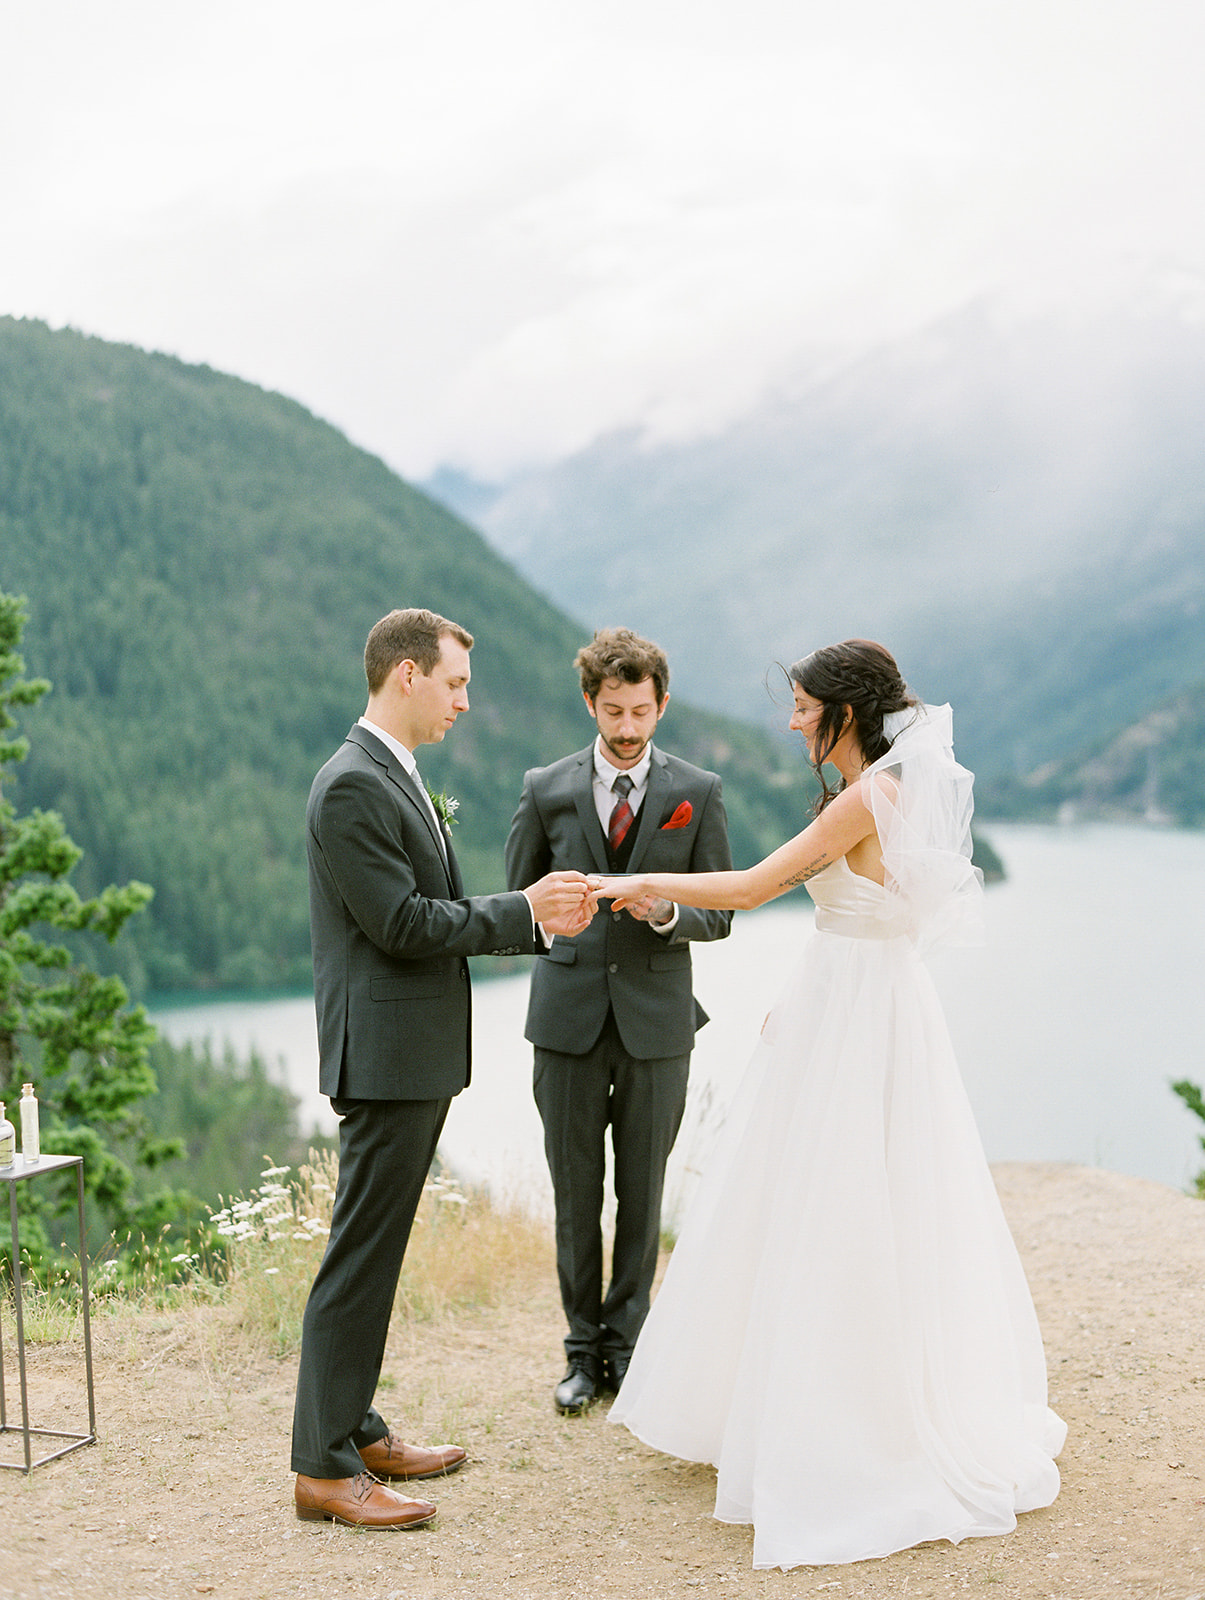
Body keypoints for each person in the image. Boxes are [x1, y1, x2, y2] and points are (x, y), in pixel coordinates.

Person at [593, 640, 1066, 1569]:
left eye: (805, 706)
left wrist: (633, 882)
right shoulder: (886, 790)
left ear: (844, 713)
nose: (792, 719)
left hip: (859, 1014)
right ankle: (805, 1401)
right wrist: (805, 997)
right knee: (842, 1198)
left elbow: (755, 887)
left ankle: (851, 1423)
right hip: (857, 999)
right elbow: (865, 922)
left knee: (843, 1204)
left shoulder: (869, 796)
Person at [291, 607, 595, 1529]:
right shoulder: (351, 784)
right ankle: (322, 1467)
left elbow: (426, 912)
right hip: (383, 1058)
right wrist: (528, 911)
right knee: (359, 1253)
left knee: (375, 1252)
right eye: (456, 683)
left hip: (408, 1055)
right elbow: (405, 924)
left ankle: (356, 1428)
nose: (466, 701)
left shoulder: (393, 772)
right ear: (408, 675)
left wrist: (524, 915)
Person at [504, 627, 733, 1414]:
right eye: (612, 711)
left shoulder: (697, 791)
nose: (627, 729)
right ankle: (578, 1354)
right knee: (575, 1194)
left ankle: (628, 1348)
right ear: (589, 704)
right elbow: (516, 907)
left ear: (661, 704)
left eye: (640, 711)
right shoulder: (545, 787)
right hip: (564, 1024)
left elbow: (723, 912)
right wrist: (550, 919)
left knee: (642, 1194)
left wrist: (668, 909)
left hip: (657, 1027)